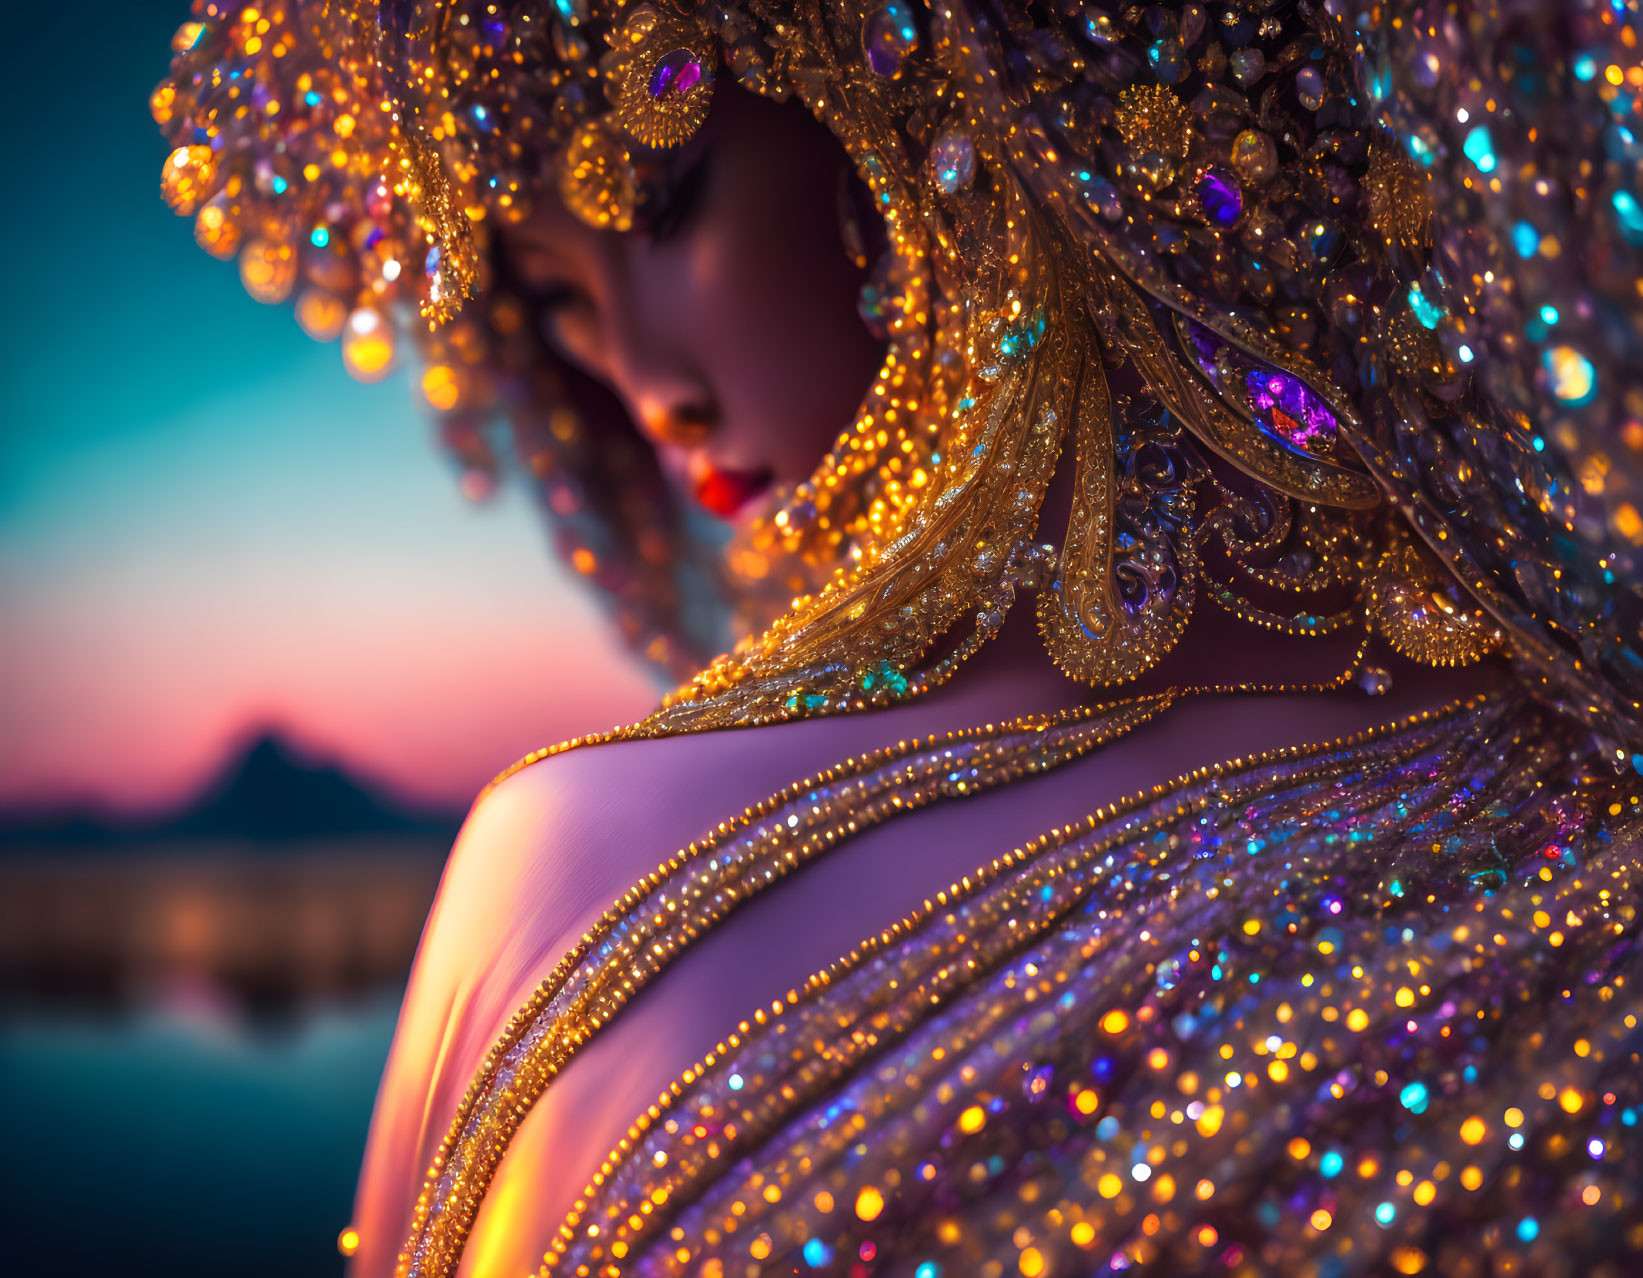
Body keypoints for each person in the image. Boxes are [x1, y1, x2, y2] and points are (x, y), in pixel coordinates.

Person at [153, 2, 1643, 1276]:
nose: (645, 383)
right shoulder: (1597, 804)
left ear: (916, 88)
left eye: (661, 202)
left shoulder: (575, 860)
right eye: (555, 303)